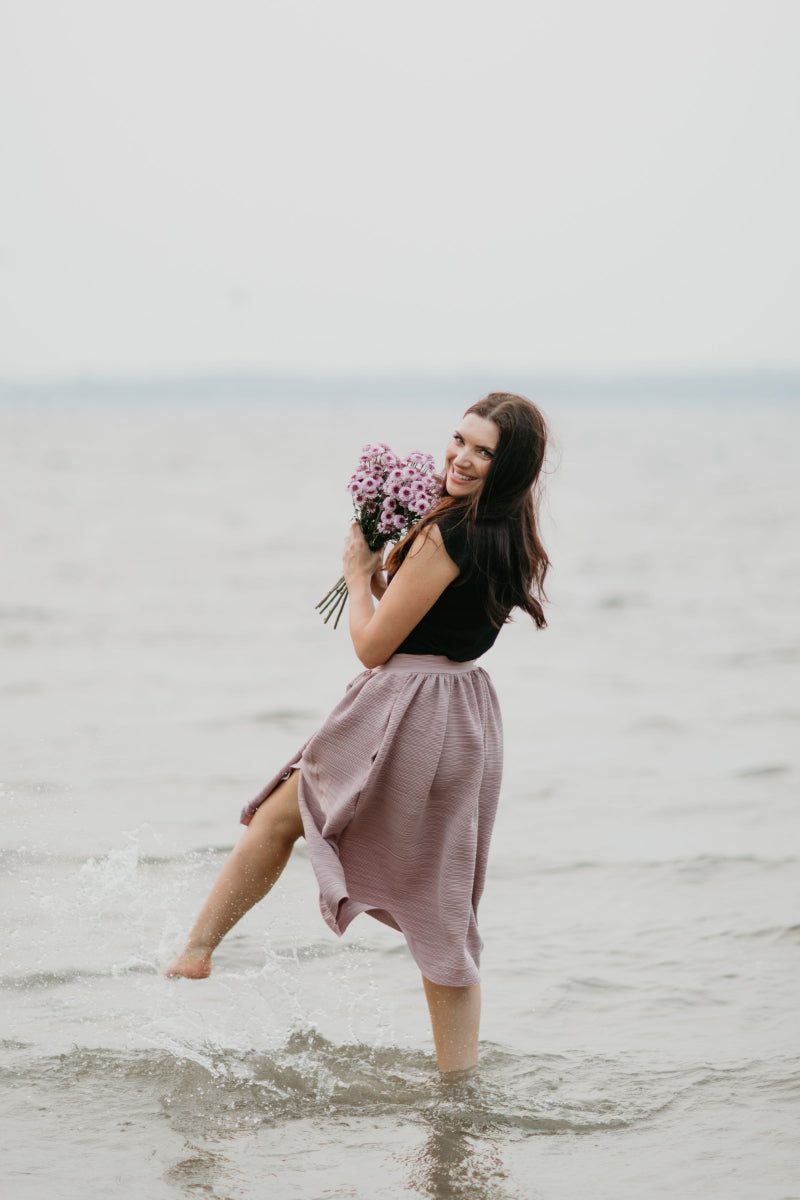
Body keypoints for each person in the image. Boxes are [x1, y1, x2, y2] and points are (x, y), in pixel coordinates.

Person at [165, 392, 550, 1075]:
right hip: (466, 714)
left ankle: (196, 950)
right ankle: (458, 1084)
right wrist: (381, 576)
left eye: (483, 451)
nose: (461, 457)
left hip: (407, 706)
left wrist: (355, 573)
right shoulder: (509, 530)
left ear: (508, 465)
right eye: (459, 440)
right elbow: (440, 619)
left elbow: (373, 646)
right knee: (444, 906)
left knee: (283, 814)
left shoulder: (444, 533)